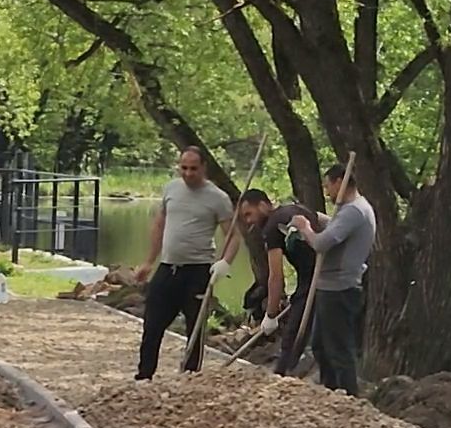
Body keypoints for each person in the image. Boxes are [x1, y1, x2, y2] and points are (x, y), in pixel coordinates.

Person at [135, 147, 239, 379]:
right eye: (184, 168)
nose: (188, 173)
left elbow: (233, 236)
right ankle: (144, 375)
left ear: (203, 167)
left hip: (198, 270)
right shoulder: (171, 189)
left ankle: (190, 377)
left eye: (193, 168)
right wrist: (148, 261)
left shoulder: (218, 198)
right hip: (168, 266)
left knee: (195, 328)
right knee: (152, 323)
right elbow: (160, 225)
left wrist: (225, 263)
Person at [289, 161, 375, 396]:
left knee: (338, 349)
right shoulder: (351, 210)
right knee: (320, 345)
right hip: (330, 286)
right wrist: (317, 218)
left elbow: (320, 243)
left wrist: (306, 228)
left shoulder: (354, 211)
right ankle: (330, 392)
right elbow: (336, 229)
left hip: (339, 288)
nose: (327, 192)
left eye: (329, 186)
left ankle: (348, 397)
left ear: (340, 182)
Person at [234, 189, 318, 375]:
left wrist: (270, 315)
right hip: (325, 275)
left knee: (292, 337)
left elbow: (276, 276)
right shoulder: (295, 209)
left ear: (263, 205)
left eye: (249, 214)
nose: (248, 221)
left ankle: (281, 378)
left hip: (314, 279)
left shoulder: (272, 227)